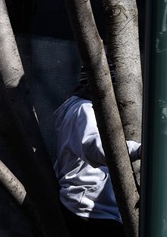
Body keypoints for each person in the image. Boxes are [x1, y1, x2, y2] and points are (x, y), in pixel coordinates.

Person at [54, 74, 141, 237]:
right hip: (89, 207)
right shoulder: (84, 109)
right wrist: (138, 150)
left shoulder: (82, 108)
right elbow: (97, 149)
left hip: (96, 207)